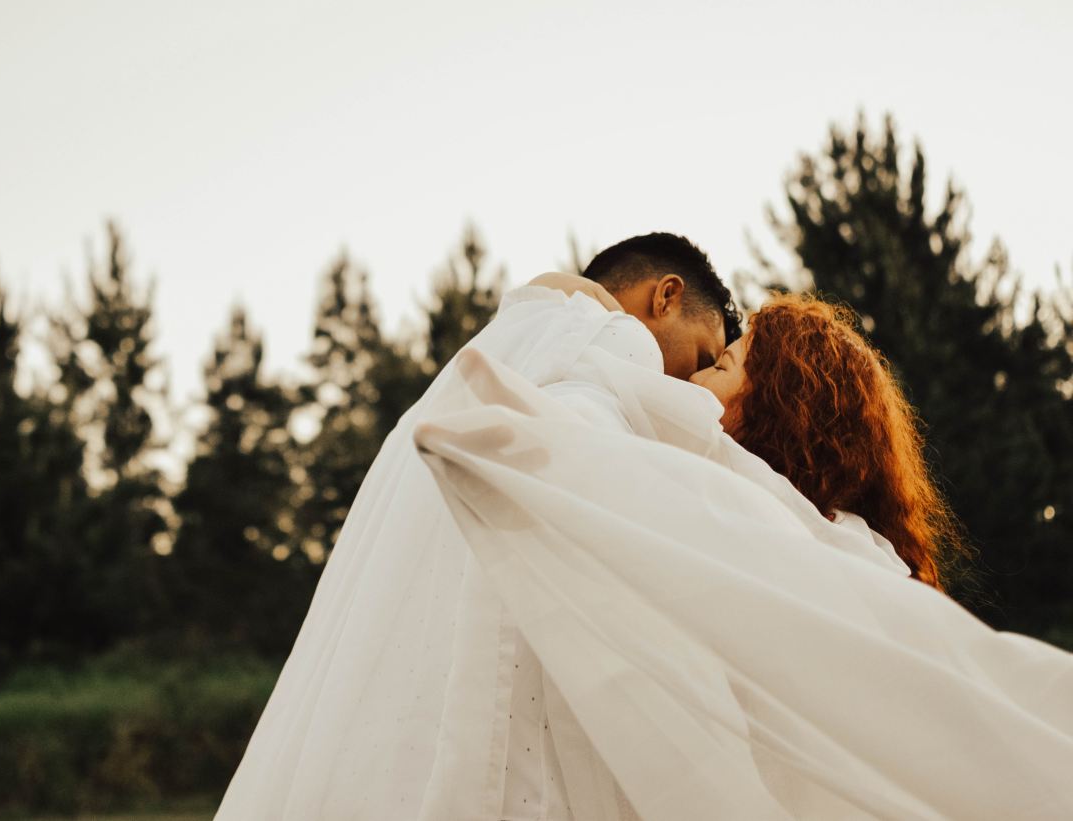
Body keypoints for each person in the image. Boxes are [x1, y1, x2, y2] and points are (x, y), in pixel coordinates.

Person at [413, 307, 1073, 818]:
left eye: (725, 362)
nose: (694, 378)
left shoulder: (755, 502)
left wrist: (524, 436)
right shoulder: (842, 541)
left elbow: (641, 503)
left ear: (779, 405)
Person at [215, 233, 751, 820]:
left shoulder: (463, 382)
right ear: (666, 297)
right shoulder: (601, 360)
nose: (694, 385)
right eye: (701, 357)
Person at [688, 293, 972, 591]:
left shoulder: (830, 567)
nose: (694, 378)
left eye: (721, 367)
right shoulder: (863, 566)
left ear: (776, 415)